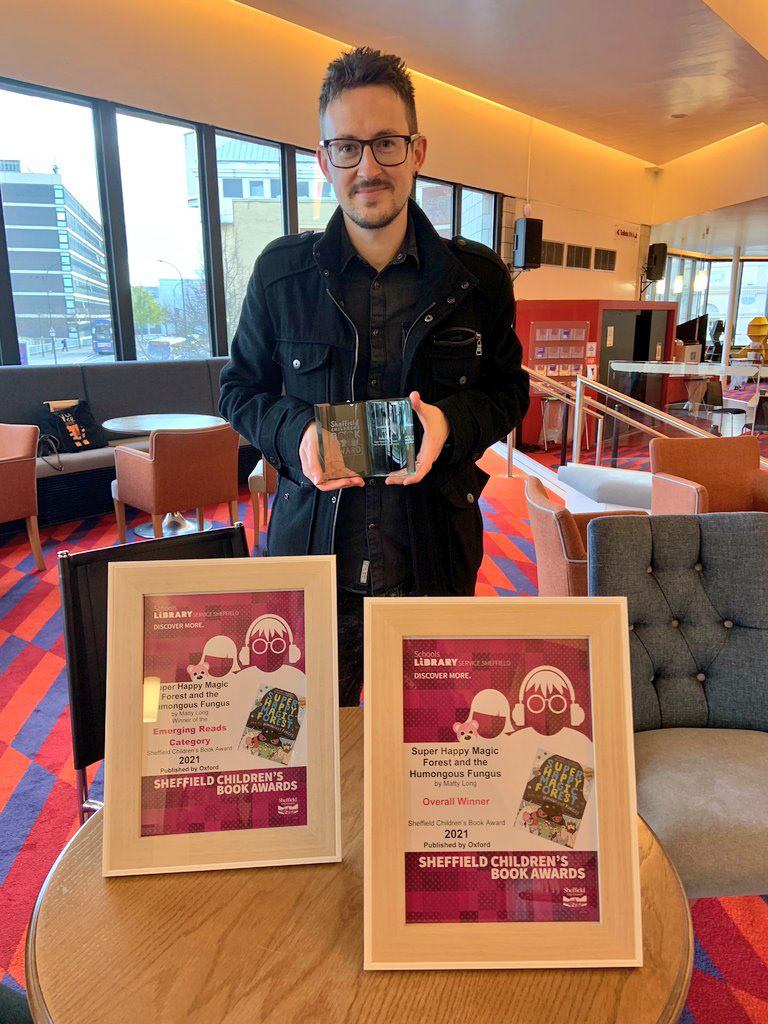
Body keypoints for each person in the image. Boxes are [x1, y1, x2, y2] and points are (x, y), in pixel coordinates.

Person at [219, 46, 530, 706]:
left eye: (386, 143)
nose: (367, 168)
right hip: (311, 567)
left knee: (425, 749)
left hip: (432, 567)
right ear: (323, 158)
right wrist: (297, 434)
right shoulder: (280, 275)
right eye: (348, 147)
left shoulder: (477, 280)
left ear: (417, 151)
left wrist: (450, 425)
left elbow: (510, 391)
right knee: (298, 749)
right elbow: (238, 389)